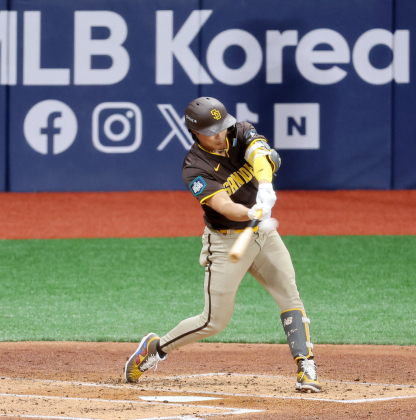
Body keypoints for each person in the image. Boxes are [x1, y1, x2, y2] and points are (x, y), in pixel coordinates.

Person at [124, 97, 321, 393]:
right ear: (195, 132)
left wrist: (265, 187)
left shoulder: (239, 131)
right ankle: (155, 348)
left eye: (221, 127)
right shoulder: (194, 167)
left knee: (289, 295)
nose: (219, 134)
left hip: (263, 235)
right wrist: (250, 212)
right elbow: (223, 205)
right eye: (211, 130)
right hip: (226, 241)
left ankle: (306, 365)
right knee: (214, 322)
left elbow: (261, 155)